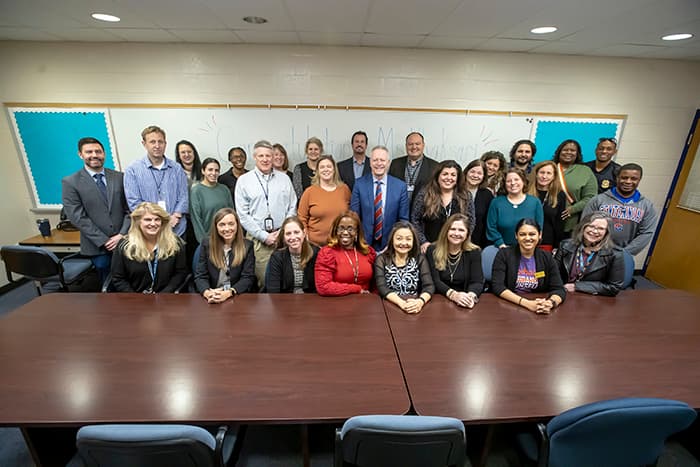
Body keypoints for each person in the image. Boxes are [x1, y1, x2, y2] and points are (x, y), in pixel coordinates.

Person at [61, 137, 131, 284]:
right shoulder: (70, 182)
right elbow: (77, 217)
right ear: (80, 154)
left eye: (98, 151)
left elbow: (129, 210)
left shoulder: (119, 177)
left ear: (104, 154)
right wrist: (105, 241)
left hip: (124, 241)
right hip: (97, 246)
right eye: (89, 152)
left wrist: (122, 234)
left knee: (129, 278)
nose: (94, 155)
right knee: (107, 281)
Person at [235, 140, 297, 287]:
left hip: (285, 239)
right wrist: (264, 236)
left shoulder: (284, 179)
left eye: (268, 156)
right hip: (259, 241)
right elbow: (243, 214)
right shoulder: (244, 181)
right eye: (261, 156)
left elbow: (292, 206)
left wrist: (283, 232)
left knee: (288, 280)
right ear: (255, 157)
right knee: (265, 282)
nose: (265, 159)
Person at [123, 125, 189, 237]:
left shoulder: (176, 168)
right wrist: (155, 221)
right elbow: (134, 202)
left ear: (165, 144)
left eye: (160, 142)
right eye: (152, 142)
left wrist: (176, 216)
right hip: (149, 232)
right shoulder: (132, 170)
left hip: (176, 229)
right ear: (144, 144)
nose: (157, 146)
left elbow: (183, 195)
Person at [491, 218, 566, 314]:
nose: (527, 238)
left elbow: (559, 289)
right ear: (516, 236)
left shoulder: (547, 257)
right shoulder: (504, 254)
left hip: (538, 306)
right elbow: (497, 286)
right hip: (509, 306)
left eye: (532, 234)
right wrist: (527, 304)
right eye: (522, 234)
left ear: (540, 235)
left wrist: (550, 303)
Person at [581, 163, 658, 256]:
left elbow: (646, 233)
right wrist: (592, 247)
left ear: (639, 180)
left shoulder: (646, 206)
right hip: (594, 252)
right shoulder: (598, 200)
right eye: (624, 178)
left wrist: (624, 253)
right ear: (617, 178)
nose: (628, 181)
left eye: (634, 179)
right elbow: (584, 225)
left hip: (624, 255)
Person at [111, 202, 187, 293]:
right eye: (148, 219)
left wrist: (163, 295)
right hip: (133, 300)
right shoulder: (125, 245)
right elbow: (118, 278)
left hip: (165, 299)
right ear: (138, 222)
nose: (153, 223)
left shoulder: (175, 243)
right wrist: (135, 299)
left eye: (157, 219)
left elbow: (180, 273)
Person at [351, 145, 409, 252]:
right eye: (375, 160)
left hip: (391, 245)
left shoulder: (400, 186)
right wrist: (359, 241)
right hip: (363, 244)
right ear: (370, 162)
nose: (379, 163)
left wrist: (394, 242)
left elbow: (403, 220)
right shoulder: (360, 184)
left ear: (388, 162)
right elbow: (354, 217)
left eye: (382, 160)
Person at [411, 160, 475, 253]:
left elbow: (471, 222)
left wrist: (461, 241)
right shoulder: (425, 193)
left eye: (453, 175)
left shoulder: (465, 196)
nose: (449, 178)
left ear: (457, 178)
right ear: (438, 176)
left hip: (457, 248)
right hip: (429, 248)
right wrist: (423, 242)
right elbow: (415, 219)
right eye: (445, 174)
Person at [554, 212, 625, 296]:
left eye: (601, 228)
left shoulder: (615, 254)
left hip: (593, 299)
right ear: (583, 227)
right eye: (591, 226)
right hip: (563, 294)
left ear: (606, 232)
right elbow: (553, 273)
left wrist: (577, 287)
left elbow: (614, 287)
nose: (594, 231)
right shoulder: (565, 245)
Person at [194, 208, 256, 302]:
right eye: (222, 225)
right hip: (212, 294)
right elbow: (200, 276)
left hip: (236, 296)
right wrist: (208, 293)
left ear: (237, 225)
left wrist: (228, 293)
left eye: (231, 224)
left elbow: (247, 278)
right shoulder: (207, 244)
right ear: (216, 227)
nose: (227, 229)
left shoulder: (247, 246)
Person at [374, 222, 434, 314]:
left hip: (414, 305)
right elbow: (382, 287)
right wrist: (401, 303)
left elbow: (429, 286)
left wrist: (420, 302)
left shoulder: (419, 258)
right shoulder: (382, 259)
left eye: (408, 239)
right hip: (390, 306)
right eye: (399, 239)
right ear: (392, 240)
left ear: (413, 241)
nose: (403, 243)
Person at [427, 214, 483, 308]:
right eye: (453, 229)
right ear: (446, 231)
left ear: (467, 234)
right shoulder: (433, 250)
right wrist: (454, 295)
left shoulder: (474, 252)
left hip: (463, 301)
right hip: (438, 301)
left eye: (461, 230)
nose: (456, 233)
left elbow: (477, 281)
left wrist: (470, 297)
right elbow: (435, 281)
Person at [315, 211, 376, 296]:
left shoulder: (368, 252)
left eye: (350, 229)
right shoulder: (327, 253)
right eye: (341, 228)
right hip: (337, 303)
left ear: (357, 232)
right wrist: (356, 289)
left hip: (364, 302)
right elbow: (323, 287)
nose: (345, 232)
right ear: (335, 231)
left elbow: (376, 285)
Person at [297, 155, 351, 246]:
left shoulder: (344, 189)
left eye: (329, 166)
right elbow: (301, 217)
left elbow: (351, 214)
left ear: (334, 170)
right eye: (322, 167)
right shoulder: (309, 192)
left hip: (340, 244)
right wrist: (305, 235)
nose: (326, 169)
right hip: (315, 246)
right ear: (317, 171)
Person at [486, 168, 544, 248]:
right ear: (505, 184)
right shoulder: (496, 202)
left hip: (528, 249)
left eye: (516, 179)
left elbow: (539, 227)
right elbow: (491, 227)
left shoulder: (535, 202)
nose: (513, 183)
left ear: (523, 181)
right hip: (502, 248)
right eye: (509, 181)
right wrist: (500, 244)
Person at [553, 139, 598, 235]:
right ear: (559, 152)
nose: (568, 152)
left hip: (570, 222)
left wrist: (573, 209)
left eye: (573, 150)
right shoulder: (549, 167)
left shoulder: (585, 171)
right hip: (547, 220)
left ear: (577, 154)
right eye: (565, 150)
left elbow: (591, 197)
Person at [266, 216, 319, 293]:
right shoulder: (277, 257)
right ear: (284, 237)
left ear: (304, 233)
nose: (293, 237)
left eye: (296, 232)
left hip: (310, 301)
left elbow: (319, 287)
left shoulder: (316, 253)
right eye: (288, 234)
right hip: (284, 301)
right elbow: (273, 290)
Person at [189, 157, 234, 243]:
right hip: (208, 239)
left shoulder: (224, 189)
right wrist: (204, 241)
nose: (213, 173)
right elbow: (196, 220)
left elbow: (232, 213)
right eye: (210, 170)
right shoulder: (196, 191)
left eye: (216, 170)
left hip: (226, 237)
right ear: (203, 171)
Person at [388, 132, 438, 207]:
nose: (414, 147)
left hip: (423, 212)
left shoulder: (434, 166)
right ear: (406, 146)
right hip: (398, 210)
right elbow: (390, 188)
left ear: (423, 145)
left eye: (417, 144)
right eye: (410, 144)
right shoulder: (395, 164)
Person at [528, 161, 566, 251]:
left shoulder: (559, 195)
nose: (544, 176)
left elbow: (559, 224)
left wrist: (557, 246)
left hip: (546, 243)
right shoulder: (525, 192)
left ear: (554, 176)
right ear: (536, 174)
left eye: (549, 173)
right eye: (542, 172)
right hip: (525, 240)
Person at [463, 159, 494, 248]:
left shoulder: (487, 195)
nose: (475, 176)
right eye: (472, 172)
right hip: (453, 239)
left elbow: (487, 223)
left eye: (479, 173)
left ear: (484, 176)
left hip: (477, 242)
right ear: (466, 172)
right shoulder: (456, 190)